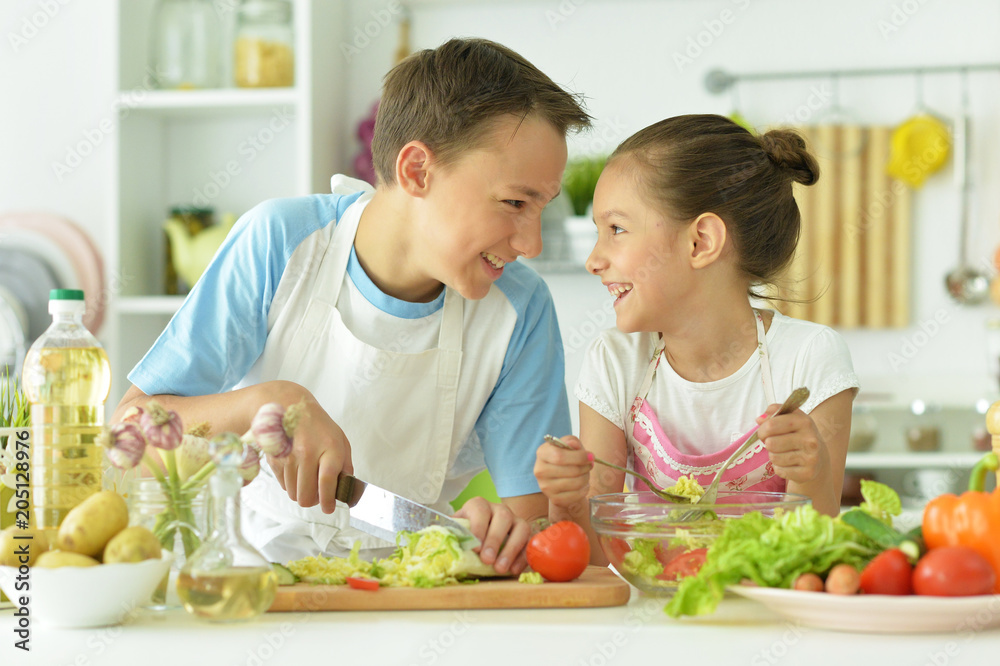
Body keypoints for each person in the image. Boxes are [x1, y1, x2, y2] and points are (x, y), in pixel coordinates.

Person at [114, 38, 591, 571]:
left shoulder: (519, 312)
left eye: (540, 209)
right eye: (514, 203)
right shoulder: (280, 242)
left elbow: (538, 537)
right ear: (416, 171)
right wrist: (266, 401)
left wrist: (502, 536)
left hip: (413, 586)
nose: (532, 245)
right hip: (243, 580)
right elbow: (130, 436)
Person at [534, 115, 859, 562]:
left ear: (701, 241)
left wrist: (811, 468)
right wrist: (567, 499)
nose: (594, 260)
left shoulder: (808, 356)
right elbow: (595, 557)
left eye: (616, 230)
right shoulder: (615, 360)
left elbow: (814, 552)